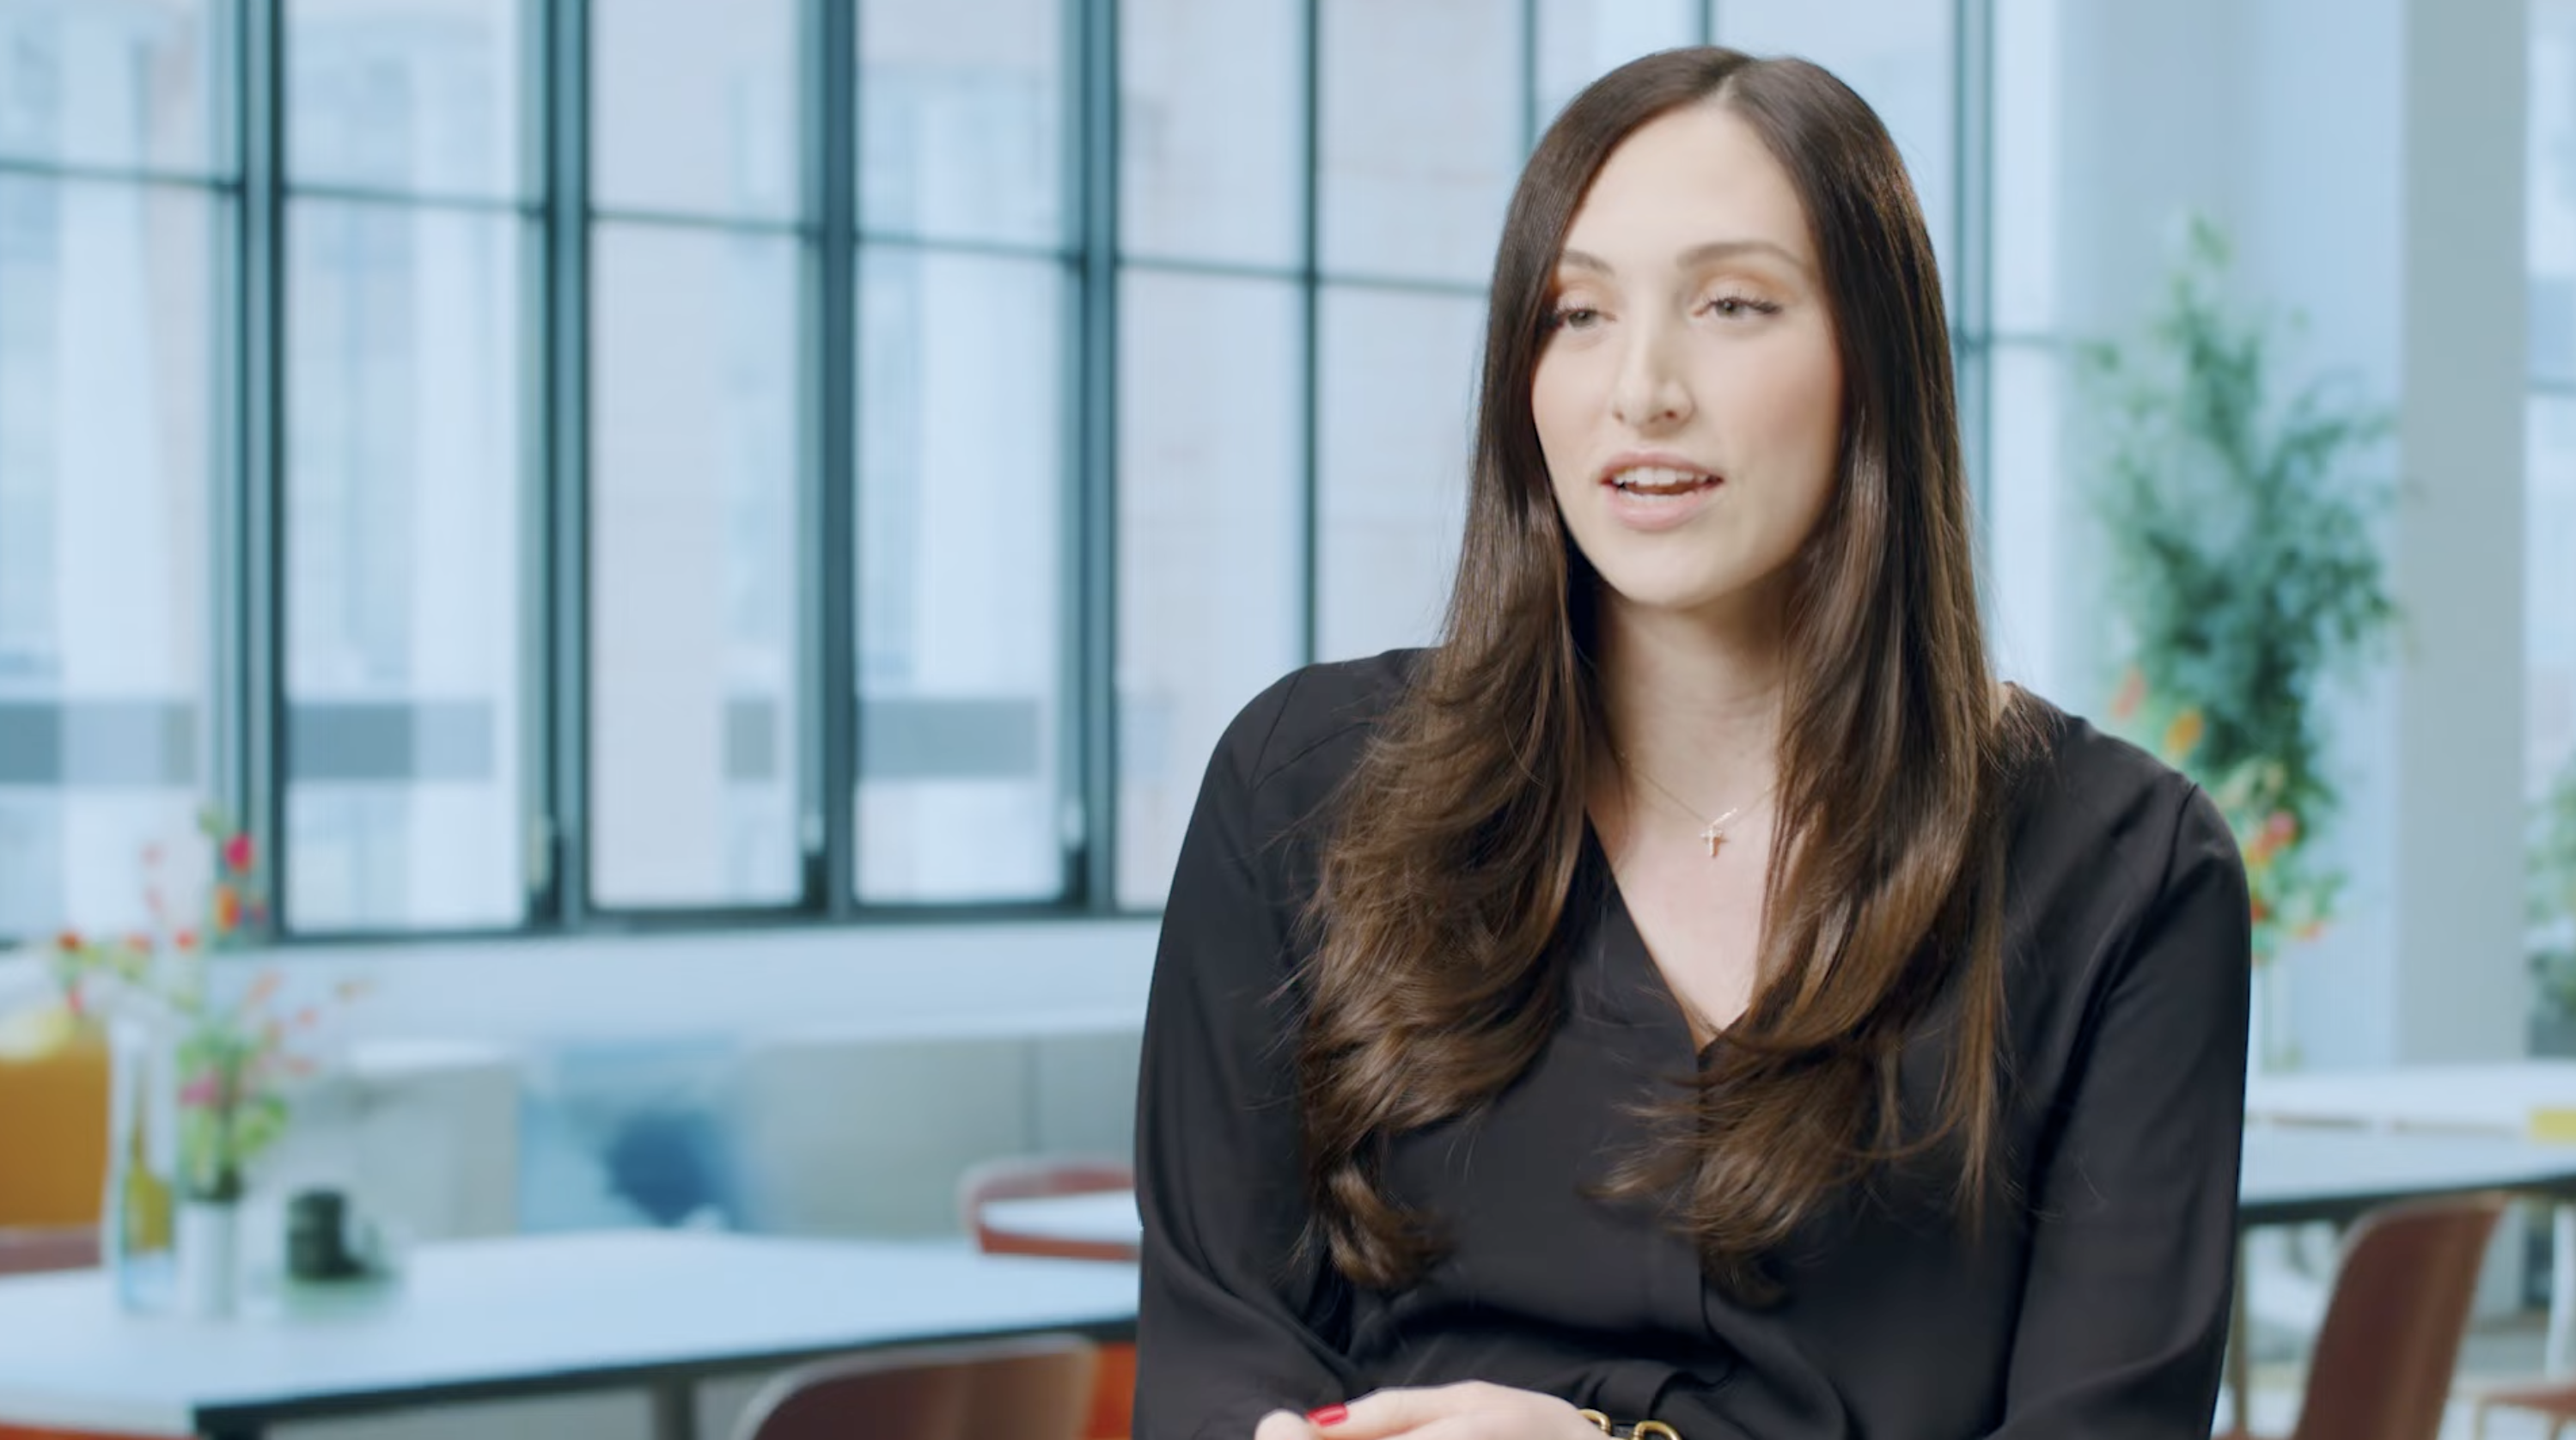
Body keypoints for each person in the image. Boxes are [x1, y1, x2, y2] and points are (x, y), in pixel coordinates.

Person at [1133, 45, 2250, 1440]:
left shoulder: (2123, 874)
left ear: (1873, 364)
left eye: (1731, 303)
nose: (1640, 388)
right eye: (1576, 312)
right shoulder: (1301, 787)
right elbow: (1210, 1352)